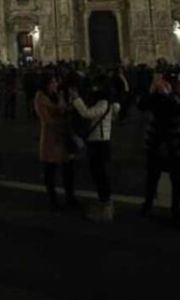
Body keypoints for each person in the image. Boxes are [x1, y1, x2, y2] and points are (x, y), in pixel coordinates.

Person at [139, 72, 180, 225]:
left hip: (172, 145)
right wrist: (153, 91)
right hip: (166, 145)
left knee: (173, 180)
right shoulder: (161, 98)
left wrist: (166, 95)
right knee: (154, 178)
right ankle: (149, 205)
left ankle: (173, 209)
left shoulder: (176, 99)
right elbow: (141, 105)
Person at [71, 78, 121, 222]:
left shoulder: (103, 103)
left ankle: (105, 208)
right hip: (100, 143)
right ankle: (105, 204)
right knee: (100, 175)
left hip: (99, 143)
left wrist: (76, 99)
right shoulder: (110, 104)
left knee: (100, 175)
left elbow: (86, 113)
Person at [35, 74, 78, 210]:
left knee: (68, 169)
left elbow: (65, 110)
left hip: (63, 137)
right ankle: (52, 200)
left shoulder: (57, 95)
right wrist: (62, 119)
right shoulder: (40, 98)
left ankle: (70, 197)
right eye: (53, 82)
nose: (56, 85)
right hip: (51, 138)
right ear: (46, 84)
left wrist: (68, 102)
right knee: (50, 170)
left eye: (55, 82)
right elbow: (47, 121)